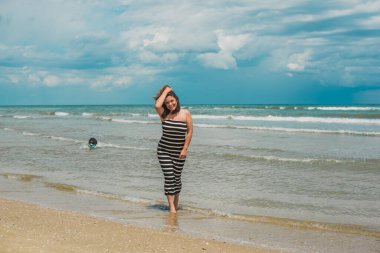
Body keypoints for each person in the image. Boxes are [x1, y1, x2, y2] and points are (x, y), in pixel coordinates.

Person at [154, 85, 193, 213]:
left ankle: (176, 201)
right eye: (167, 102)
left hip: (179, 152)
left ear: (176, 99)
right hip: (164, 151)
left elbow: (190, 131)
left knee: (177, 178)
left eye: (172, 101)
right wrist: (166, 91)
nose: (170, 104)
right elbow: (157, 105)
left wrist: (185, 149)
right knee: (169, 177)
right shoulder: (164, 114)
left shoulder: (185, 113)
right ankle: (172, 208)